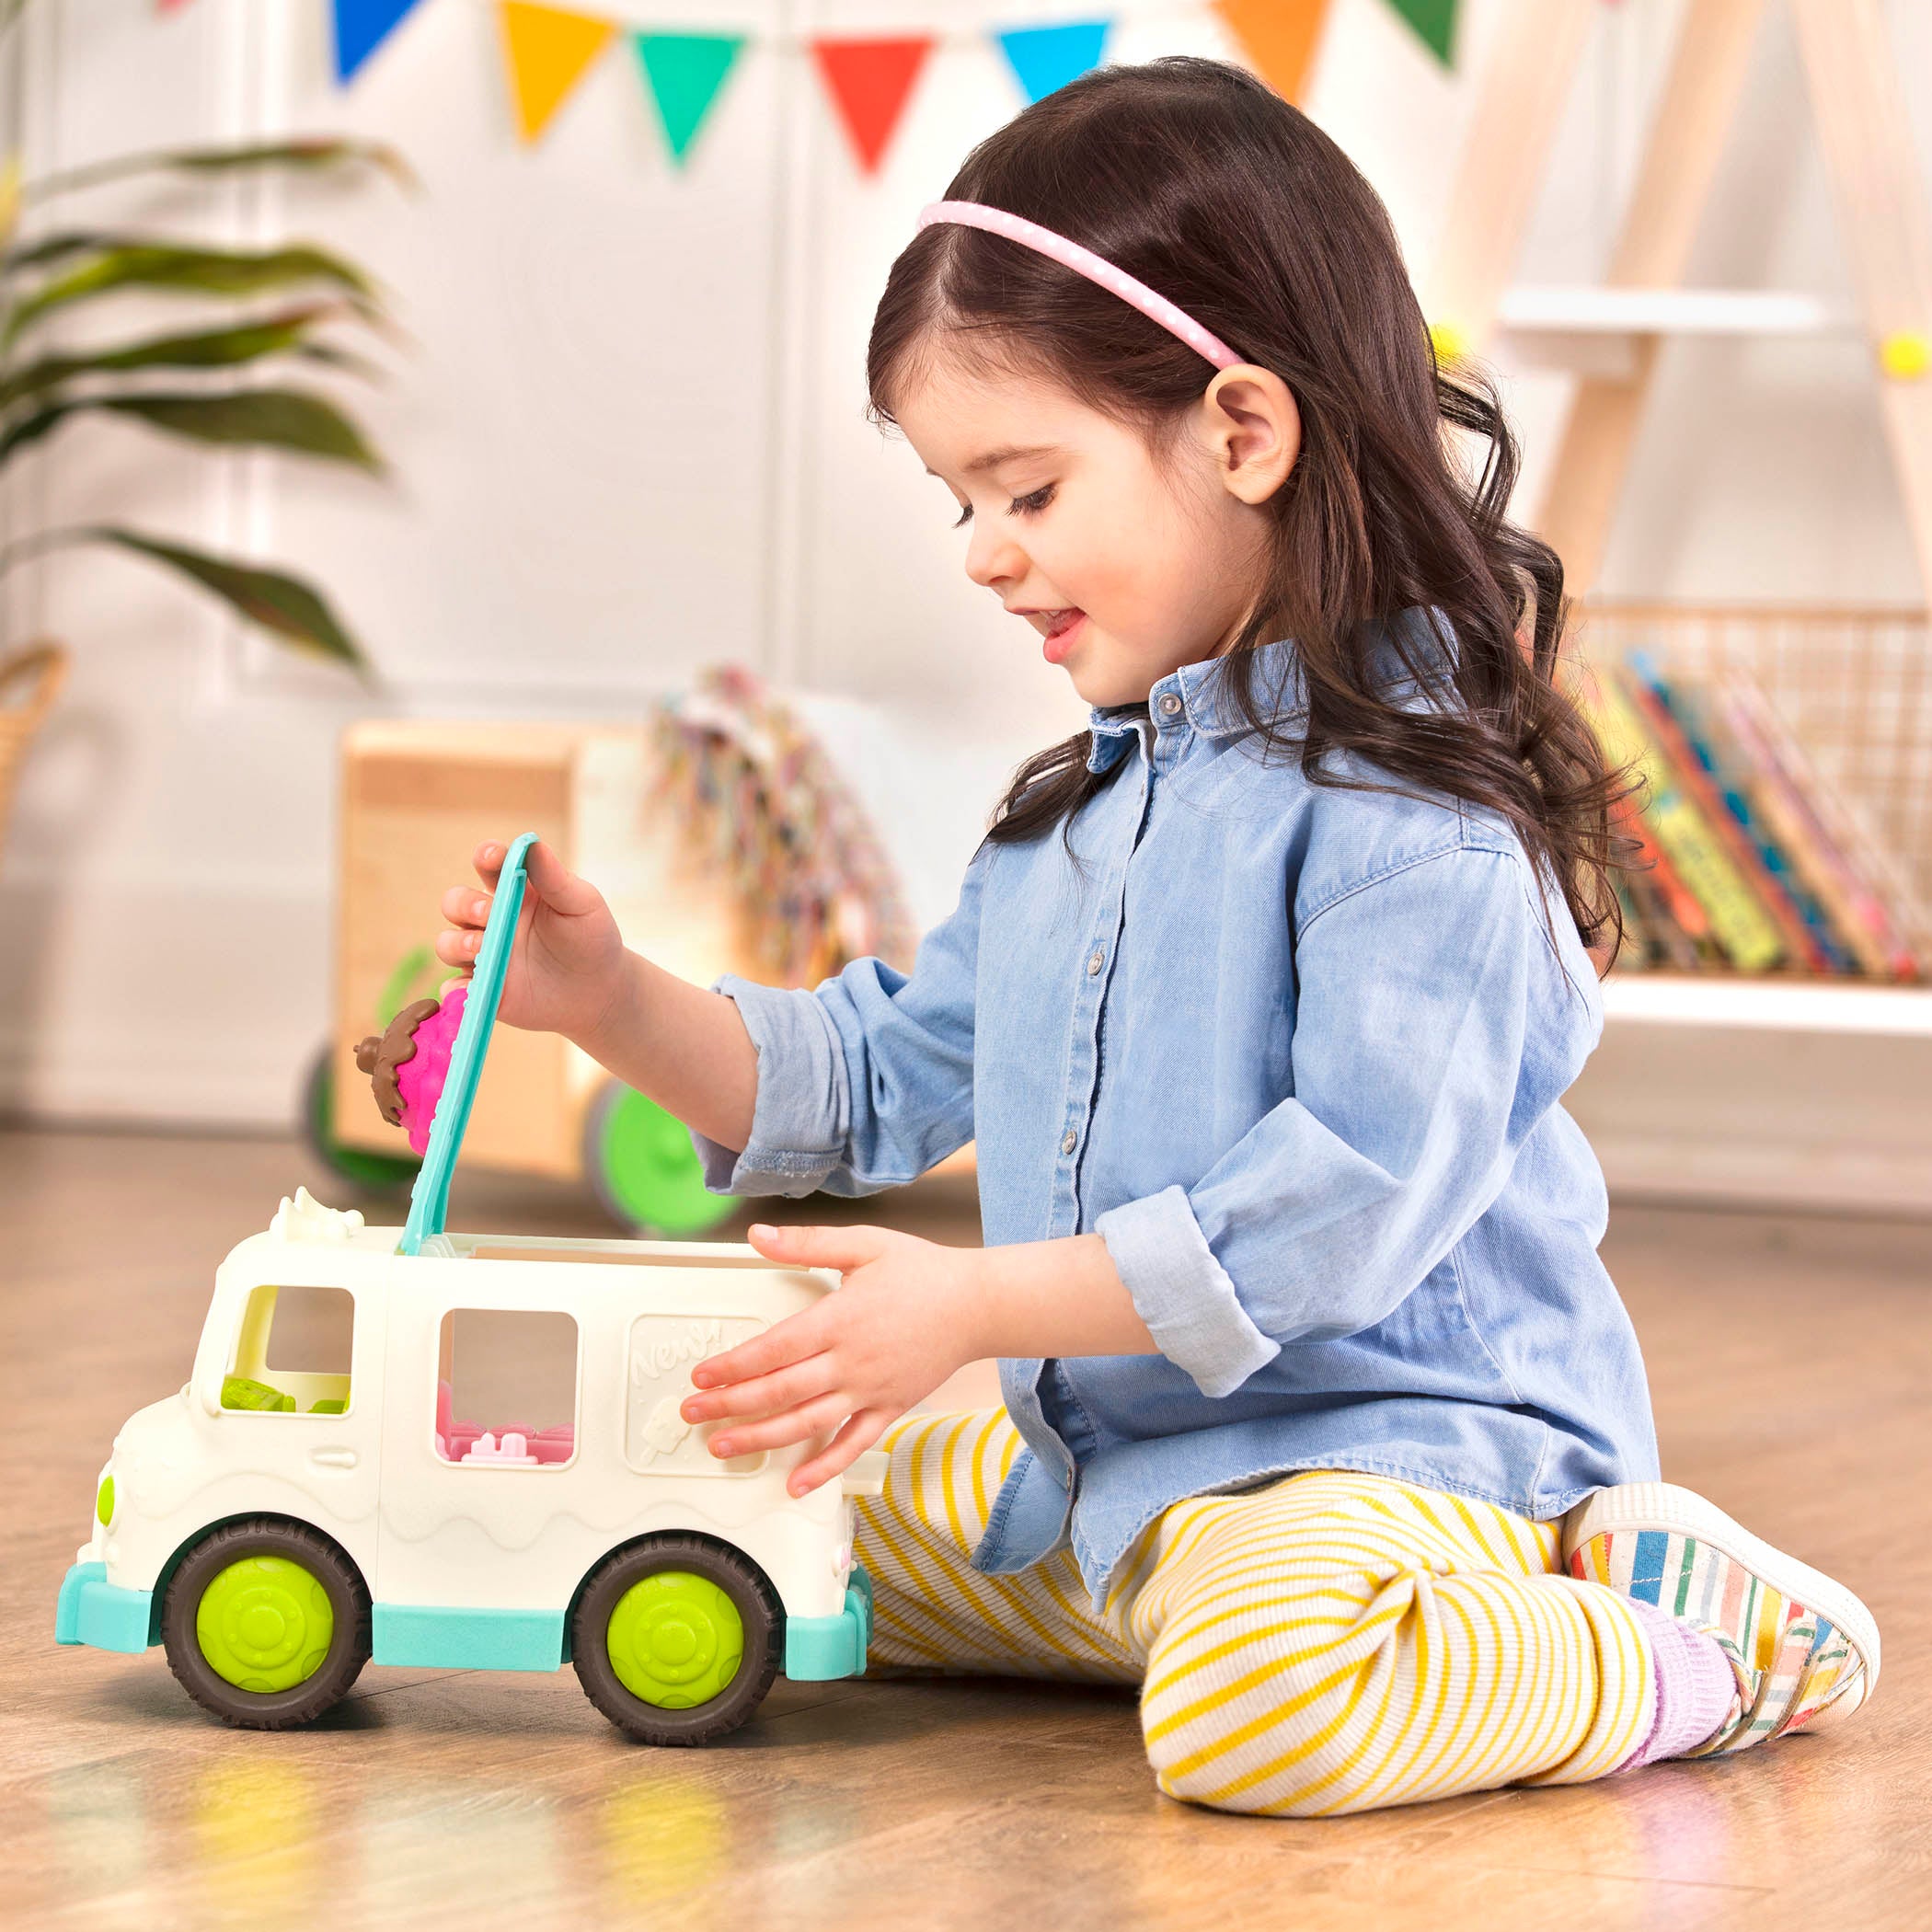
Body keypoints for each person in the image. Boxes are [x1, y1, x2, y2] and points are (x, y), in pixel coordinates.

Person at [436, 57, 1877, 1816]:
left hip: (1406, 1461)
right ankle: (1197, 1611)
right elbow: (875, 1076)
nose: (981, 553)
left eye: (1027, 492)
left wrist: (971, 1305)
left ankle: (1678, 1641)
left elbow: (1332, 1219)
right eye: (960, 502)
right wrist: (605, 998)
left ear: (1244, 432)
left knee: (1263, 1712)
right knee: (735, 1534)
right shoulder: (1080, 816)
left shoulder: (1420, 819)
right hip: (1125, 1481)